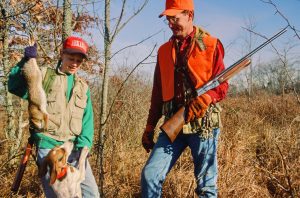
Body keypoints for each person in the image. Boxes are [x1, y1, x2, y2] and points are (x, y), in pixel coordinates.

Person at [141, 0, 229, 197]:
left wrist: (206, 98)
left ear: (190, 15)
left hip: (203, 125)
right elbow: (158, 93)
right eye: (168, 19)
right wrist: (149, 127)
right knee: (150, 175)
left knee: (206, 187)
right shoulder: (164, 51)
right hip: (174, 123)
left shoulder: (211, 44)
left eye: (175, 18)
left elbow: (222, 86)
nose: (171, 23)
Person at [8, 36, 100, 198]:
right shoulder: (44, 75)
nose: (74, 63)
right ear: (61, 53)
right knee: (59, 195)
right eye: (71, 58)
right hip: (49, 147)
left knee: (91, 194)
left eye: (79, 61)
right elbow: (15, 86)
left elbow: (87, 119)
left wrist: (84, 147)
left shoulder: (82, 87)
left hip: (74, 149)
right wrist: (27, 60)